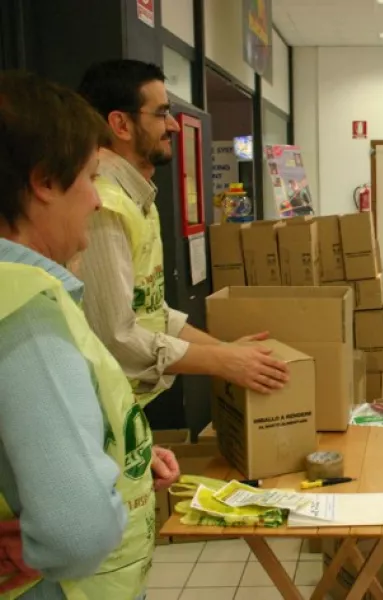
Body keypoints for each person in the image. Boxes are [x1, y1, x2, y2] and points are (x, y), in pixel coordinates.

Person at [0, 71, 179, 599]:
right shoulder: (25, 309)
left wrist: (131, 465)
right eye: (87, 177)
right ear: (45, 182)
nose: (97, 200)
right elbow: (76, 530)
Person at [76, 60, 289, 414]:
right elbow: (115, 337)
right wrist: (221, 362)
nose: (173, 125)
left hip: (126, 404)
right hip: (100, 408)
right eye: (161, 113)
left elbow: (153, 312)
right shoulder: (104, 208)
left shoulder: (138, 199)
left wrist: (224, 350)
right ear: (121, 124)